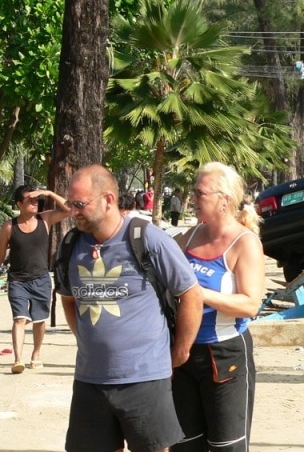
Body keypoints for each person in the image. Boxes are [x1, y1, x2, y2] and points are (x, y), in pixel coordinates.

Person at [55, 164, 203, 452]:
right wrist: (88, 341)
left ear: (108, 200)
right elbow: (69, 298)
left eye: (80, 204)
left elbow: (191, 295)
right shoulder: (71, 245)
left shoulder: (147, 239)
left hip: (144, 379)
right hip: (90, 380)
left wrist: (181, 351)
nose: (73, 212)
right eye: (70, 204)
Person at [171, 162, 266, 452]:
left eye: (200, 193)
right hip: (183, 353)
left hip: (224, 354)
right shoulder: (188, 237)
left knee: (226, 446)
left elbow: (250, 304)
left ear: (224, 200)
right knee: (184, 445)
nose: (193, 198)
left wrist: (199, 295)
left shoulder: (244, 242)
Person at [0, 185, 70, 373]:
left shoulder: (44, 219)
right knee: (19, 318)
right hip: (17, 281)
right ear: (19, 204)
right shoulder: (9, 227)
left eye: (36, 199)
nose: (34, 202)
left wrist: (49, 193)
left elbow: (69, 209)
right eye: (30, 200)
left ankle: (36, 355)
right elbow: (0, 254)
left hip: (41, 279)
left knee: (39, 320)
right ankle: (18, 360)